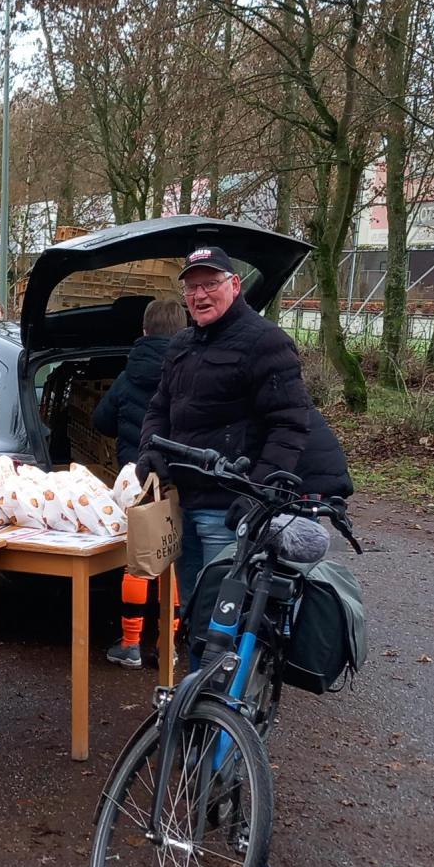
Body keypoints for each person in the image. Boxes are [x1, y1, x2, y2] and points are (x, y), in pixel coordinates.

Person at [136, 246, 352, 666]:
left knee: (220, 627)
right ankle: (199, 696)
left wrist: (259, 492)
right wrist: (150, 450)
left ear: (234, 285)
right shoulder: (181, 345)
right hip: (185, 504)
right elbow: (158, 408)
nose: (200, 295)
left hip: (229, 508)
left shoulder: (265, 341)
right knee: (195, 614)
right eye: (192, 287)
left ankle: (217, 703)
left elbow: (289, 424)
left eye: (210, 284)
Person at [94, 296, 187, 668]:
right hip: (177, 479)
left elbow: (101, 420)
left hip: (136, 478)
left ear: (144, 330)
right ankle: (168, 647)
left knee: (138, 561)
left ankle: (130, 643)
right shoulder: (189, 373)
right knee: (170, 557)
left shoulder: (128, 375)